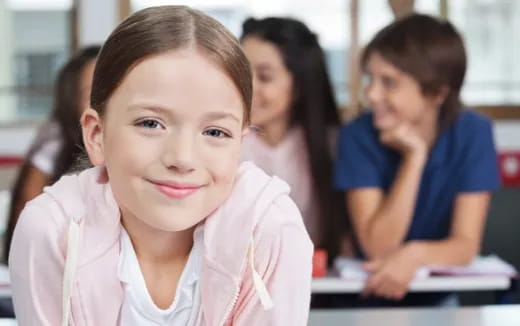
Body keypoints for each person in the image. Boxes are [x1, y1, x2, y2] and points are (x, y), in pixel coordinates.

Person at [9, 6, 312, 325]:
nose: (182, 159)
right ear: (97, 135)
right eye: (151, 123)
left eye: (214, 132)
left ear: (241, 141)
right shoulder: (51, 232)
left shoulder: (271, 232)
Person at [334, 14, 499, 305]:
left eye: (389, 83)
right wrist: (414, 159)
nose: (371, 94)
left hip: (438, 299)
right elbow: (378, 248)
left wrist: (414, 255)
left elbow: (465, 245)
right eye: (370, 79)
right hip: (364, 296)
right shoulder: (357, 135)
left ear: (436, 93)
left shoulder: (474, 133)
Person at [240, 17, 349, 260]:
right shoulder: (222, 143)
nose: (248, 86)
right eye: (241, 71)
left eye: (265, 77)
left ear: (300, 84)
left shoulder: (332, 145)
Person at [3, 46, 100, 263]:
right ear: (71, 99)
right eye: (92, 92)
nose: (104, 101)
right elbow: (27, 227)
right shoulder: (54, 148)